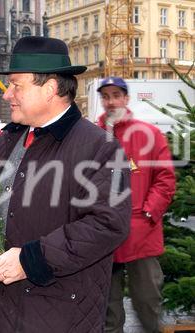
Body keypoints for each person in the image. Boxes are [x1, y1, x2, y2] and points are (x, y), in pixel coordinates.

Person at [0, 36, 132, 332]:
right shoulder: (8, 139)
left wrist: (30, 259)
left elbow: (107, 224)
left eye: (16, 85)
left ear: (50, 89)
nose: (7, 94)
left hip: (58, 315)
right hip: (0, 312)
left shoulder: (100, 148)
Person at [97, 77, 176, 333]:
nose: (111, 101)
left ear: (126, 99)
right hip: (104, 234)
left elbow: (165, 179)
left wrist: (149, 213)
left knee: (148, 302)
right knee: (109, 309)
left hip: (141, 234)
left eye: (116, 95)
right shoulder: (93, 136)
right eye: (106, 96)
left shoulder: (149, 134)